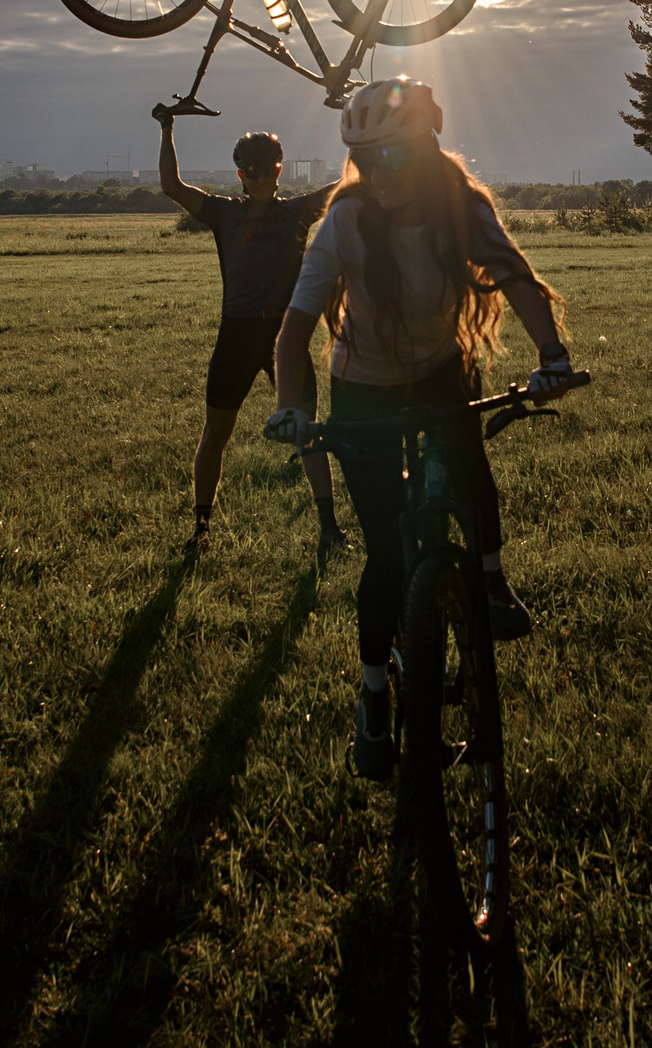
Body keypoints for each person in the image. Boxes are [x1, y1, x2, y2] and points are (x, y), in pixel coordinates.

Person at [262, 77, 578, 781]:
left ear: (426, 147)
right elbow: (293, 333)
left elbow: (516, 278)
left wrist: (552, 356)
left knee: (469, 468)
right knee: (384, 556)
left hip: (438, 368)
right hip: (364, 389)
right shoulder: (344, 222)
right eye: (365, 161)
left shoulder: (462, 209)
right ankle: (375, 696)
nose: (379, 176)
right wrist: (291, 405)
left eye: (394, 157)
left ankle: (490, 582)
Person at [157, 106, 345, 557]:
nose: (261, 179)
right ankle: (201, 529)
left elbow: (348, 184)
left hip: (286, 339)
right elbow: (171, 187)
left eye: (270, 170)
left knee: (308, 433)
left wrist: (370, 130)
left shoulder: (299, 211)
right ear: (240, 174)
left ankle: (329, 529)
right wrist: (167, 128)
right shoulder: (224, 214)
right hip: (236, 337)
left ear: (279, 171)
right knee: (216, 433)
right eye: (252, 171)